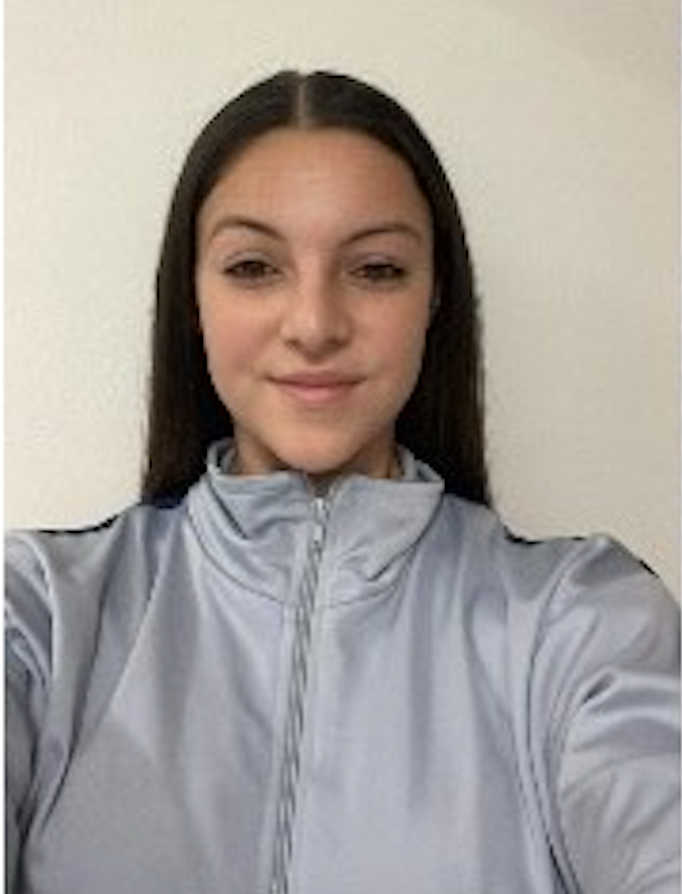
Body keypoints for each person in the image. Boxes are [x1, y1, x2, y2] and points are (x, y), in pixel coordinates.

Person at [5, 70, 679, 894]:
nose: (315, 324)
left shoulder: (581, 623)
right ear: (191, 296)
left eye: (377, 269)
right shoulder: (39, 616)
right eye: (255, 266)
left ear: (436, 296)